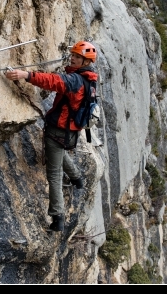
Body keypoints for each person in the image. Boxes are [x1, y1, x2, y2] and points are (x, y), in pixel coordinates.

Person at [5, 41, 98, 232]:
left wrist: (26, 75)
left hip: (58, 130)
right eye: (73, 55)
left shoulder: (75, 80)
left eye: (77, 57)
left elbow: (54, 82)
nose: (72, 58)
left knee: (54, 174)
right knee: (58, 153)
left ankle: (58, 217)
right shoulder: (89, 79)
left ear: (86, 62)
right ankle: (77, 178)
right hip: (69, 131)